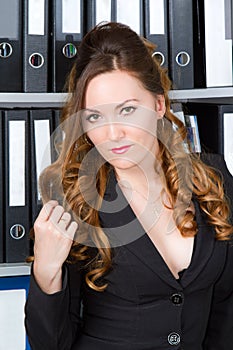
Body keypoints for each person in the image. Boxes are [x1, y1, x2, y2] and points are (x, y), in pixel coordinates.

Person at [25, 22, 233, 350]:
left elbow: (225, 308)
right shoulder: (76, 202)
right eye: (94, 117)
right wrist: (46, 270)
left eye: (127, 110)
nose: (112, 134)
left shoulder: (213, 178)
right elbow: (50, 343)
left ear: (159, 105)